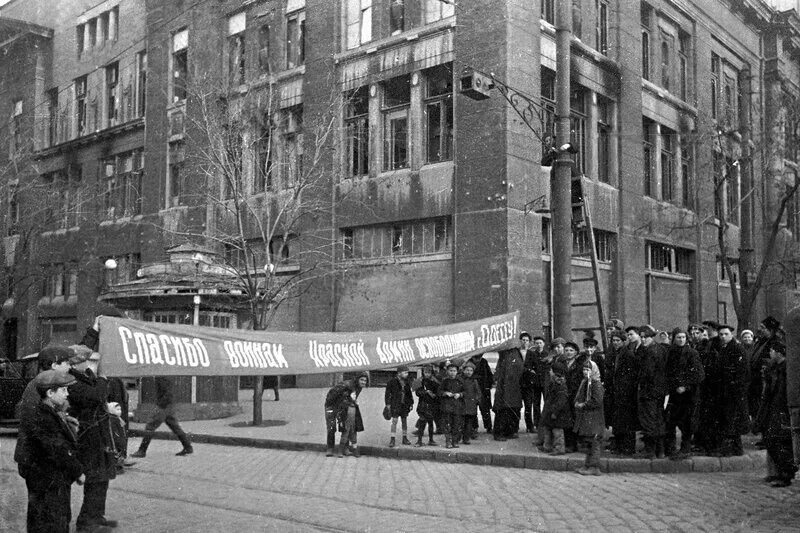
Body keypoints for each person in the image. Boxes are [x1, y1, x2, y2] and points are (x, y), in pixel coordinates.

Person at [22, 370, 87, 533]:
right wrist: (78, 472)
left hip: (48, 481)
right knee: (52, 523)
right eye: (63, 390)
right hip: (49, 482)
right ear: (50, 393)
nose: (67, 394)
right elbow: (59, 449)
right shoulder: (44, 417)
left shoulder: (48, 412)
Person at [68, 351, 120, 532]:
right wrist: (103, 378)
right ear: (75, 365)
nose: (91, 363)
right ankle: (87, 522)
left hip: (98, 434)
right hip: (88, 437)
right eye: (87, 360)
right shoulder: (72, 381)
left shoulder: (85, 377)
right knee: (95, 478)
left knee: (103, 477)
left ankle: (97, 516)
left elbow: (100, 397)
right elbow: (96, 396)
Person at [14, 345, 79, 478]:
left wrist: (64, 419)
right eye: (67, 363)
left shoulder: (43, 384)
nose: (69, 367)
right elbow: (39, 425)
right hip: (40, 464)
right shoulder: (39, 386)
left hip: (42, 461)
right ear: (55, 365)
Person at [755, 342, 797, 487]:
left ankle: (786, 474)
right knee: (773, 440)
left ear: (779, 353)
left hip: (783, 410)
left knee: (780, 441)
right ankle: (781, 472)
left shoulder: (786, 368)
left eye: (772, 351)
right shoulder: (776, 367)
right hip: (774, 408)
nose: (770, 354)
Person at [664, 328, 705, 459]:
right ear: (674, 339)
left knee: (686, 422)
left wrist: (685, 386)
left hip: (688, 394)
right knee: (670, 421)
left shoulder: (692, 353)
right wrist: (673, 385)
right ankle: (670, 447)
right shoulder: (670, 353)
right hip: (673, 393)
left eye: (683, 337)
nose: (681, 340)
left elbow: (699, 374)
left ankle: (685, 448)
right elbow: (667, 372)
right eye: (678, 338)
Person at [131, 376, 193, 458]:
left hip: (163, 406)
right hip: (168, 405)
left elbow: (166, 391)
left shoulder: (161, 375)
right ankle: (187, 447)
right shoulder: (164, 374)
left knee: (150, 426)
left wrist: (161, 404)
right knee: (175, 427)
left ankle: (142, 451)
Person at [716, 325, 750, 456]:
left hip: (734, 391)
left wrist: (737, 389)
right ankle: (735, 448)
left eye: (726, 334)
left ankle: (732, 449)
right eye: (721, 334)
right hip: (726, 391)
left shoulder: (737, 349)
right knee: (729, 419)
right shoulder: (724, 349)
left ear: (731, 335)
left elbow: (743, 372)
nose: (723, 337)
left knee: (733, 419)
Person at [636, 325, 668, 459]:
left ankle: (650, 450)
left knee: (649, 421)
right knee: (658, 420)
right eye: (642, 337)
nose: (643, 340)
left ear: (651, 337)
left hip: (649, 391)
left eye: (646, 337)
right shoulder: (660, 349)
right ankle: (660, 451)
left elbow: (647, 373)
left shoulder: (650, 352)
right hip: (659, 391)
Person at [611, 327, 641, 455]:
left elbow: (632, 375)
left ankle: (628, 448)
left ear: (624, 341)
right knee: (619, 421)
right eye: (613, 340)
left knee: (627, 422)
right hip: (618, 392)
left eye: (618, 340)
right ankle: (620, 447)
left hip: (626, 393)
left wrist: (625, 389)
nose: (615, 343)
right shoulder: (617, 353)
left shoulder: (627, 354)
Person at [574, 359, 605, 476]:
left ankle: (594, 466)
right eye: (584, 369)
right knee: (589, 442)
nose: (585, 372)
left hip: (595, 418)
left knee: (594, 442)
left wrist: (584, 404)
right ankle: (587, 465)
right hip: (589, 418)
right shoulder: (586, 382)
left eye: (588, 369)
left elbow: (597, 401)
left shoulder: (595, 384)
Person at [324, 373, 367, 456]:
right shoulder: (347, 385)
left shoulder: (359, 387)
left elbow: (351, 398)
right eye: (361, 380)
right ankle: (330, 448)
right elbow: (332, 394)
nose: (363, 382)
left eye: (365, 381)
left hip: (343, 407)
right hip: (331, 406)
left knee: (345, 427)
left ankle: (345, 448)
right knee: (331, 427)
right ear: (357, 379)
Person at [492, 340, 525, 441]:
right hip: (505, 387)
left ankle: (510, 431)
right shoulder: (505, 354)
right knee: (503, 410)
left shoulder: (516, 353)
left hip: (515, 386)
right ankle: (499, 433)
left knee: (513, 409)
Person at [538, 360, 571, 455]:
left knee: (557, 432)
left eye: (551, 370)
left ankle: (559, 448)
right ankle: (547, 446)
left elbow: (561, 402)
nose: (549, 372)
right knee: (548, 429)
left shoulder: (560, 385)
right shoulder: (554, 382)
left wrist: (555, 412)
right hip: (551, 411)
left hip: (557, 414)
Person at [385, 365, 414, 447]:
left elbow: (409, 394)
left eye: (407, 372)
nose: (407, 374)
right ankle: (392, 439)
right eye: (405, 373)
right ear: (399, 373)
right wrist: (388, 404)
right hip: (395, 404)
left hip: (404, 405)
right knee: (394, 421)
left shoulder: (407, 382)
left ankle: (404, 438)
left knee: (404, 421)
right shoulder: (391, 382)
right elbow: (387, 394)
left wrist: (411, 403)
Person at [439, 361, 465, 449]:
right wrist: (445, 393)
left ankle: (455, 441)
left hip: (457, 406)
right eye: (450, 370)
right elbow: (439, 391)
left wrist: (460, 394)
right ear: (447, 371)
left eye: (454, 371)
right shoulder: (444, 381)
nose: (452, 372)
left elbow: (466, 392)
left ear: (457, 371)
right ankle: (448, 441)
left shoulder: (460, 381)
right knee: (447, 424)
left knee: (456, 424)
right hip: (447, 406)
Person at [412, 365, 439, 447]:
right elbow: (417, 393)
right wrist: (425, 392)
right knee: (422, 423)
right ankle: (419, 440)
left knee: (430, 423)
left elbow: (438, 393)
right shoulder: (420, 381)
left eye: (429, 372)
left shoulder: (435, 382)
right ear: (423, 373)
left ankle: (431, 439)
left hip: (431, 405)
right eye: (425, 372)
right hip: (422, 405)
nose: (427, 374)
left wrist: (434, 395)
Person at [469, 352, 494, 433]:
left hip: (483, 389)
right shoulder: (469, 363)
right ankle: (474, 427)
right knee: (473, 410)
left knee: (485, 409)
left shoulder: (484, 362)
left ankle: (488, 427)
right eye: (475, 358)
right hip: (472, 390)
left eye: (479, 358)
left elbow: (489, 375)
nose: (477, 360)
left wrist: (488, 385)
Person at [519, 332, 538, 433]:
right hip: (518, 382)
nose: (525, 342)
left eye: (527, 340)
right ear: (520, 341)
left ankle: (529, 426)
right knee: (517, 406)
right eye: (523, 340)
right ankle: (514, 426)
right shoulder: (517, 352)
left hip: (528, 383)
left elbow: (535, 368)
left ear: (529, 342)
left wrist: (530, 372)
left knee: (528, 405)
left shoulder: (532, 354)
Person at [460, 361, 482, 444]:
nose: (469, 372)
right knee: (460, 422)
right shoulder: (460, 379)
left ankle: (466, 438)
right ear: (463, 370)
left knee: (469, 423)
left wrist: (476, 400)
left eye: (471, 370)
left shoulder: (474, 381)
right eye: (467, 370)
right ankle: (458, 436)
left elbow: (478, 392)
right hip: (462, 404)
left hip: (471, 405)